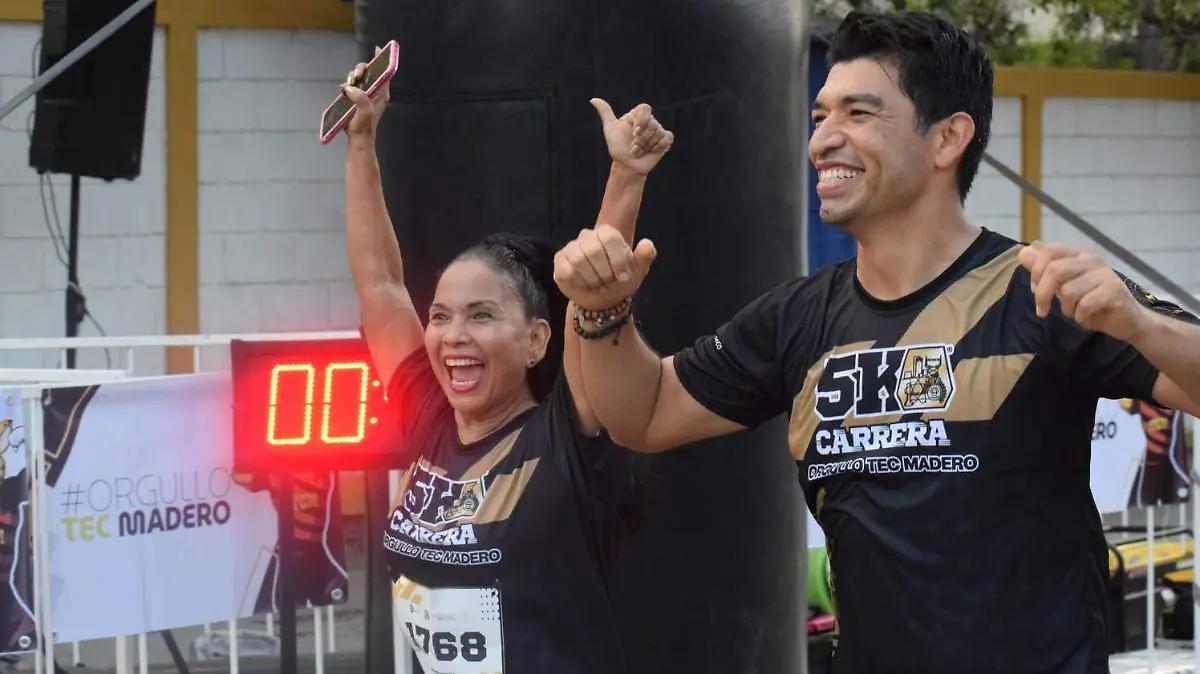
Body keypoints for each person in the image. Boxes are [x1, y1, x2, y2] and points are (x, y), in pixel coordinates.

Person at [551, 11, 1200, 674]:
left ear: (948, 138)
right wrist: (604, 291)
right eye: (818, 117)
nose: (823, 140)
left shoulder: (1037, 290)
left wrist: (1140, 325)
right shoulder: (799, 317)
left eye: (858, 114)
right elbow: (642, 412)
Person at [338, 50, 674, 674]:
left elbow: (594, 296)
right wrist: (361, 141)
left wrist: (626, 176)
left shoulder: (564, 438)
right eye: (440, 316)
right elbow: (381, 285)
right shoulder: (429, 420)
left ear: (537, 341)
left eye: (482, 316)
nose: (452, 336)